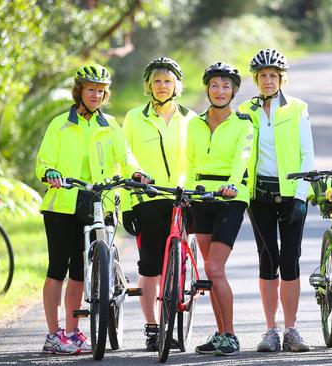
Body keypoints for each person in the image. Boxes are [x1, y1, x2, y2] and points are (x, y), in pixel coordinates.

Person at [35, 64, 146, 355]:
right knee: (58, 268)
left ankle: (73, 332)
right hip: (63, 203)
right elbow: (43, 161)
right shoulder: (60, 124)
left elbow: (126, 156)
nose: (97, 95)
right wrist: (51, 172)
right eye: (91, 89)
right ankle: (53, 334)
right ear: (79, 91)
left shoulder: (110, 125)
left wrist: (137, 173)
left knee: (81, 272)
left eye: (101, 90)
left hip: (100, 202)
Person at [237, 48, 314, 353]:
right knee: (267, 261)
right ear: (256, 79)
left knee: (290, 260)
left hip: (292, 195)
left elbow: (307, 153)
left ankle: (292, 330)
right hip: (260, 197)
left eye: (273, 76)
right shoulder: (246, 109)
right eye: (262, 76)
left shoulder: (297, 108)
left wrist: (300, 195)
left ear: (282, 79)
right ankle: (271, 329)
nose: (268, 81)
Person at [119, 57, 197, 351]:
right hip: (146, 197)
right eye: (157, 81)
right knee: (150, 265)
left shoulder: (191, 119)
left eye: (167, 81)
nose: (162, 86)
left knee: (175, 265)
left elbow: (195, 158)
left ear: (178, 84)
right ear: (148, 86)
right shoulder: (134, 118)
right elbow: (125, 157)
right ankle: (152, 327)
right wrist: (128, 202)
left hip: (180, 198)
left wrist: (188, 186)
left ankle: (172, 320)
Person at [187, 62, 253, 357]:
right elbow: (189, 162)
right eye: (215, 85)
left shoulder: (243, 123)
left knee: (215, 268)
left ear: (234, 90)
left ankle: (231, 335)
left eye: (226, 86)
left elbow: (243, 157)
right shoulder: (195, 123)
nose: (220, 90)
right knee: (210, 271)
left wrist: (233, 184)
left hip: (230, 198)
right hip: (201, 197)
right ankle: (220, 333)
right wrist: (186, 189)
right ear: (207, 89)